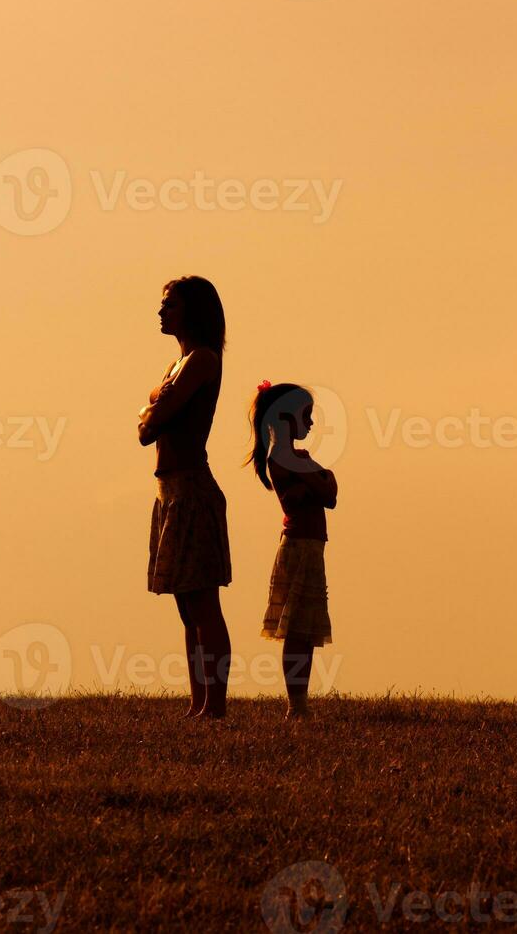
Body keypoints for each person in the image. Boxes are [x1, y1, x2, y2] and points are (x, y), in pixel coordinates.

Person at [138, 276, 232, 720]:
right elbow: (146, 423)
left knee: (202, 603)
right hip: (169, 488)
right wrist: (154, 405)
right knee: (184, 607)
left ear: (192, 311)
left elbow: (154, 419)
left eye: (169, 306)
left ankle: (214, 705)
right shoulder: (175, 366)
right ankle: (198, 702)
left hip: (192, 487)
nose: (161, 312)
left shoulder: (202, 361)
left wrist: (154, 405)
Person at [243, 380, 338, 720]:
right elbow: (324, 488)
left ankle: (300, 702)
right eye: (306, 416)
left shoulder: (296, 458)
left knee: (305, 630)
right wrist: (320, 476)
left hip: (309, 547)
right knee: (297, 630)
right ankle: (296, 705)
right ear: (285, 418)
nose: (311, 424)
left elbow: (328, 492)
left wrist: (320, 478)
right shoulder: (284, 458)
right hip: (299, 548)